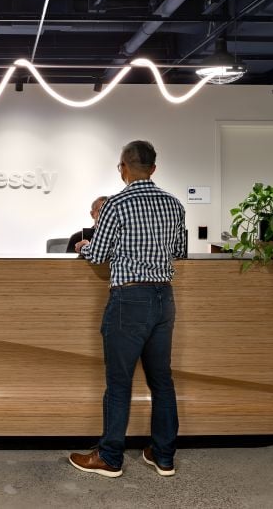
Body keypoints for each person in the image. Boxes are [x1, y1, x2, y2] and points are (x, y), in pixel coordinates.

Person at [68, 140, 186, 478]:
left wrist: (85, 244)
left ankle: (110, 457)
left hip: (129, 300)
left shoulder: (116, 205)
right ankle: (163, 456)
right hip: (164, 299)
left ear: (123, 167)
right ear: (154, 168)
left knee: (119, 382)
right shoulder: (174, 204)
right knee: (162, 380)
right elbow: (178, 249)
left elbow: (99, 254)